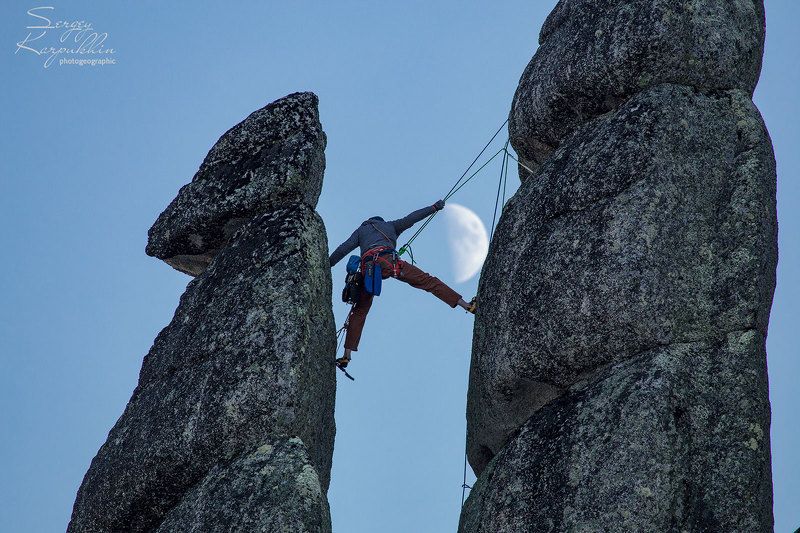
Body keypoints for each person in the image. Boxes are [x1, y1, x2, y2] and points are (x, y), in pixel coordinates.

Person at [329, 199, 476, 369]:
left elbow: (343, 248)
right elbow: (412, 218)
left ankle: (346, 356)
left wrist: (328, 264)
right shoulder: (390, 226)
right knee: (429, 282)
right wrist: (434, 208)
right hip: (391, 264)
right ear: (380, 221)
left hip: (368, 271)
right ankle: (467, 305)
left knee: (359, 311)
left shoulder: (361, 231)